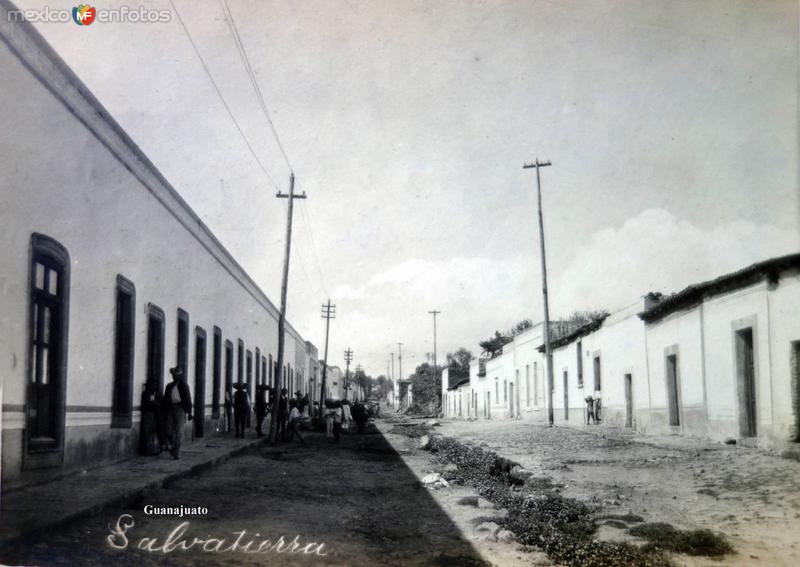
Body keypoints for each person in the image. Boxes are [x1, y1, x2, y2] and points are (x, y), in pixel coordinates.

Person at [162, 366, 192, 459]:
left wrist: (189, 412)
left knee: (179, 431)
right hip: (170, 408)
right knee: (168, 430)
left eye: (176, 374)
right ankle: (173, 447)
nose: (174, 376)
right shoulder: (169, 386)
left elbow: (188, 398)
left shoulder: (184, 385)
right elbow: (165, 399)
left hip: (180, 408)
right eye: (173, 375)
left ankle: (176, 452)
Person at [140, 381, 161, 456]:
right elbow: (146, 404)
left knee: (153, 432)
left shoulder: (155, 394)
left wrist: (155, 403)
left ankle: (153, 450)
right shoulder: (146, 394)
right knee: (148, 432)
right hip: (148, 414)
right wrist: (154, 403)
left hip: (154, 415)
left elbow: (158, 403)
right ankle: (148, 450)